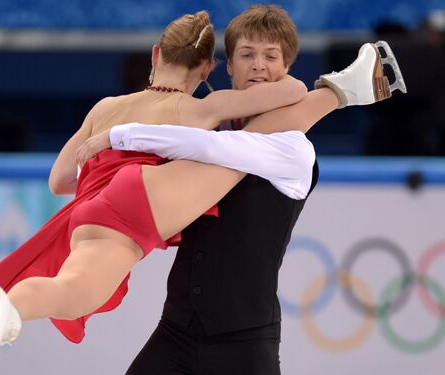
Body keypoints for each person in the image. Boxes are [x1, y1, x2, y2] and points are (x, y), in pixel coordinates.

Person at [74, 5, 405, 375]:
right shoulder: (203, 131)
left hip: (244, 344)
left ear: (286, 67)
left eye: (270, 56)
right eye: (246, 55)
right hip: (176, 331)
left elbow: (223, 149)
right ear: (228, 66)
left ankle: (344, 90)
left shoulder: (293, 148)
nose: (258, 65)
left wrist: (121, 134)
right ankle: (346, 89)